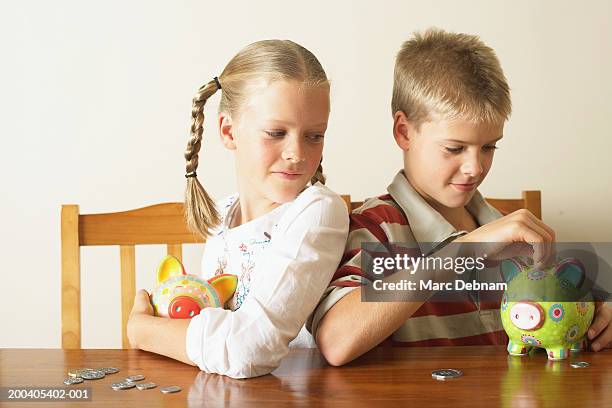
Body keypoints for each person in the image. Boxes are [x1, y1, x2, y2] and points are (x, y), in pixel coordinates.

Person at [310, 28, 612, 366]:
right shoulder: (376, 229)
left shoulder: (510, 231)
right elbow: (336, 342)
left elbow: (554, 332)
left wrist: (594, 316)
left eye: (489, 147)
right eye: (455, 148)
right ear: (403, 132)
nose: (475, 167)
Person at [127, 39, 349, 378]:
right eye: (276, 132)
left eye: (314, 136)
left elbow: (250, 350)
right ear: (229, 131)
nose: (297, 153)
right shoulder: (222, 217)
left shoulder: (318, 212)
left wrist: (142, 330)